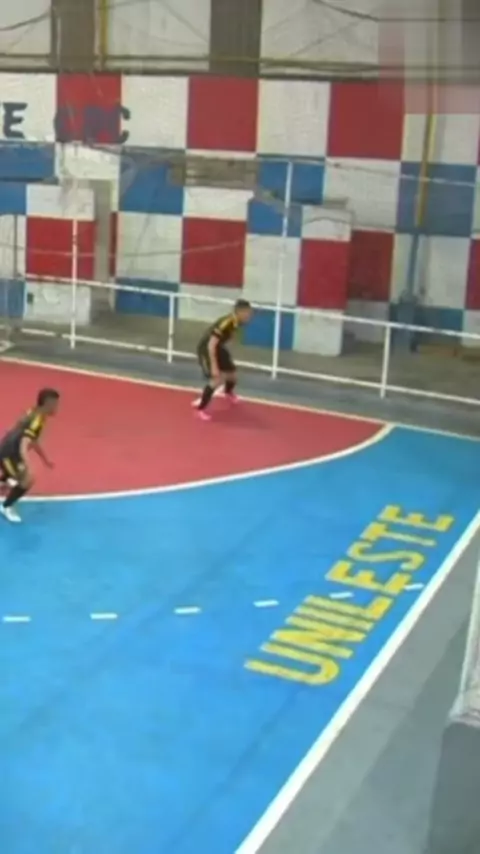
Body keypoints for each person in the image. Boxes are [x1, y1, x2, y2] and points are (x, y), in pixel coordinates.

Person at [0, 387, 59, 523]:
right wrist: (28, 465)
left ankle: (3, 481)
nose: (57, 408)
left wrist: (45, 459)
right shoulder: (37, 420)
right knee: (28, 479)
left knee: (17, 472)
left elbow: (32, 440)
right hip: (9, 454)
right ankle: (6, 507)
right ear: (48, 403)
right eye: (55, 404)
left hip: (9, 450)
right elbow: (25, 443)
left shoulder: (35, 413)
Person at [193, 299, 253, 421]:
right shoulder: (226, 323)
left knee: (232, 375)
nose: (249, 316)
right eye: (247, 313)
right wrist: (214, 366)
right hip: (207, 348)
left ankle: (228, 393)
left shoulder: (237, 322)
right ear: (239, 312)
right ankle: (200, 409)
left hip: (218, 347)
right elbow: (211, 344)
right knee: (216, 379)